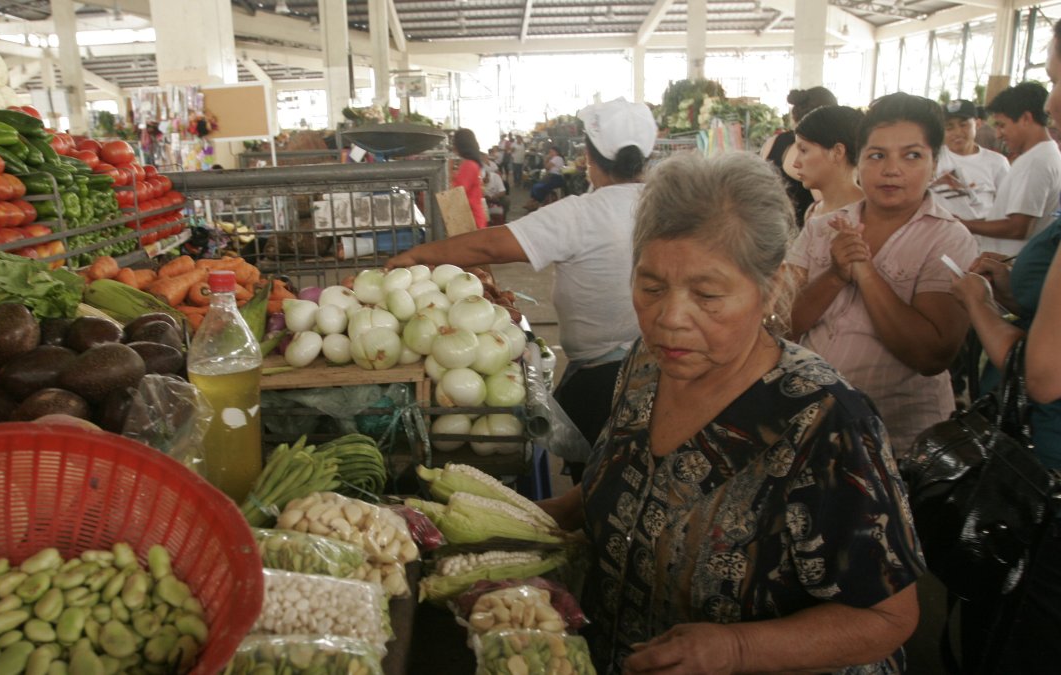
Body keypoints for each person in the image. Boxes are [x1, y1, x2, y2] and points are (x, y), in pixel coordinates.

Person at [538, 151, 924, 675]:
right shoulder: (647, 363)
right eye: (651, 287)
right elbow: (627, 478)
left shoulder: (827, 423)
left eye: (707, 294)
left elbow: (888, 617)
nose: (670, 319)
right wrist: (547, 517)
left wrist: (738, 649)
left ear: (771, 288)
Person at [386, 98, 657, 481]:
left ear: (590, 157)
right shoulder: (669, 204)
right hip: (663, 373)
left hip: (604, 383)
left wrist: (418, 255)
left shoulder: (581, 213)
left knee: (598, 485)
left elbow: (489, 247)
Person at [949, 23, 1061, 673]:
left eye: (1056, 79)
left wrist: (977, 306)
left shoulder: (1032, 161)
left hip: (1045, 473)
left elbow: (1043, 374)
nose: (1051, 102)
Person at [787, 93, 978, 455]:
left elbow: (930, 356)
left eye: (912, 155)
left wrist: (865, 271)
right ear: (857, 160)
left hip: (898, 444)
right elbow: (783, 325)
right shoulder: (822, 227)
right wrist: (834, 276)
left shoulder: (948, 239)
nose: (892, 170)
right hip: (811, 426)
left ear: (934, 164)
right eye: (876, 155)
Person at [960, 82, 1061, 256]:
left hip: (1008, 264)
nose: (998, 134)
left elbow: (1018, 228)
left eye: (1002, 125)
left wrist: (962, 224)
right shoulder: (1047, 154)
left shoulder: (1035, 161)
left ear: (1026, 119)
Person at [760, 87, 838, 228]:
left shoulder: (774, 141)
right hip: (800, 233)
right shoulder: (815, 150)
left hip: (769, 227)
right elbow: (824, 206)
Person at [930, 99, 1010, 222]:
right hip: (939, 229)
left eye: (963, 125)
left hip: (982, 231)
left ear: (977, 124)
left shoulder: (997, 163)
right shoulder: (933, 157)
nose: (957, 132)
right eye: (949, 127)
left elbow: (1007, 207)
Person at [790, 104, 864, 221]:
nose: (795, 163)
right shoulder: (813, 211)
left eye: (804, 150)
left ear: (837, 152)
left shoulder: (871, 213)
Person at [450, 128, 487, 230]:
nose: (453, 147)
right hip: (474, 216)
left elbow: (456, 193)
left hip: (470, 219)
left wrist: (449, 171)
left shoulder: (469, 165)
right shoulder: (472, 163)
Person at [527, 146, 566, 211]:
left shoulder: (557, 158)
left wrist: (546, 159)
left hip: (555, 178)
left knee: (539, 187)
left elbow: (547, 167)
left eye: (551, 152)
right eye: (550, 152)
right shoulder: (556, 158)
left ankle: (536, 202)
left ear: (556, 152)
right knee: (536, 185)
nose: (550, 153)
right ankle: (533, 202)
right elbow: (547, 168)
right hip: (552, 177)